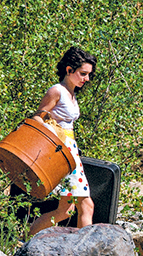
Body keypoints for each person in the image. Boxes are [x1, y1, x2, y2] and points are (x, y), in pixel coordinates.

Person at [28, 47, 97, 236]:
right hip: (62, 152)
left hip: (71, 153)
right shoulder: (56, 91)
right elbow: (37, 118)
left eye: (88, 75)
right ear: (69, 70)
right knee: (86, 204)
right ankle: (85, 250)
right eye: (83, 74)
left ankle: (25, 237)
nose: (86, 79)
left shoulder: (71, 93)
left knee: (65, 210)